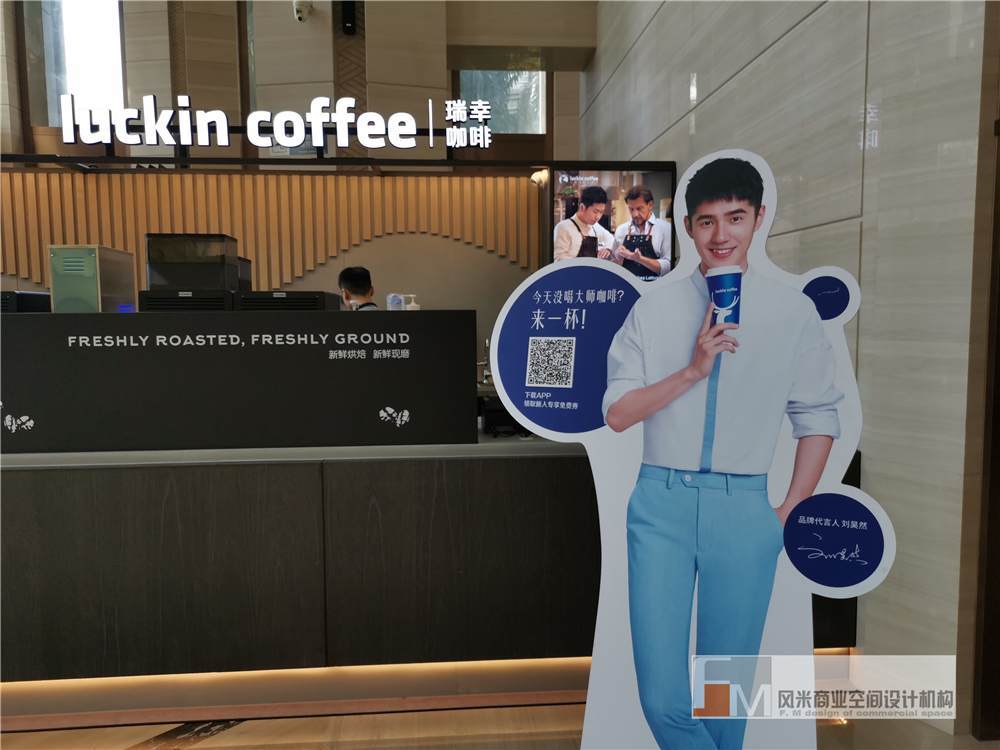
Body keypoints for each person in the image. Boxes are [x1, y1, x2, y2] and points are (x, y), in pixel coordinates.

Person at [602, 157, 842, 750]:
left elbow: (817, 416)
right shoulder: (654, 309)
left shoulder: (792, 312)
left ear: (759, 218)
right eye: (707, 221)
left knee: (722, 701)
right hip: (660, 507)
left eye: (735, 217)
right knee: (663, 701)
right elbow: (618, 414)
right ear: (688, 227)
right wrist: (693, 369)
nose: (721, 235)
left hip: (745, 510)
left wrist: (789, 510)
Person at [612, 185, 672, 281]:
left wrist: (639, 259)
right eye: (631, 209)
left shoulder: (666, 228)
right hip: (627, 286)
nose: (635, 214)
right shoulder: (621, 230)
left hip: (655, 287)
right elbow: (613, 267)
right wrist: (618, 258)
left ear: (650, 205)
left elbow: (669, 267)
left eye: (639, 208)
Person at [553, 185, 615, 262]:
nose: (598, 217)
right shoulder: (563, 227)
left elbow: (611, 239)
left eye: (601, 212)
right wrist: (583, 262)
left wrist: (607, 249)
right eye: (595, 212)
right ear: (582, 207)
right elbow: (558, 259)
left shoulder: (595, 226)